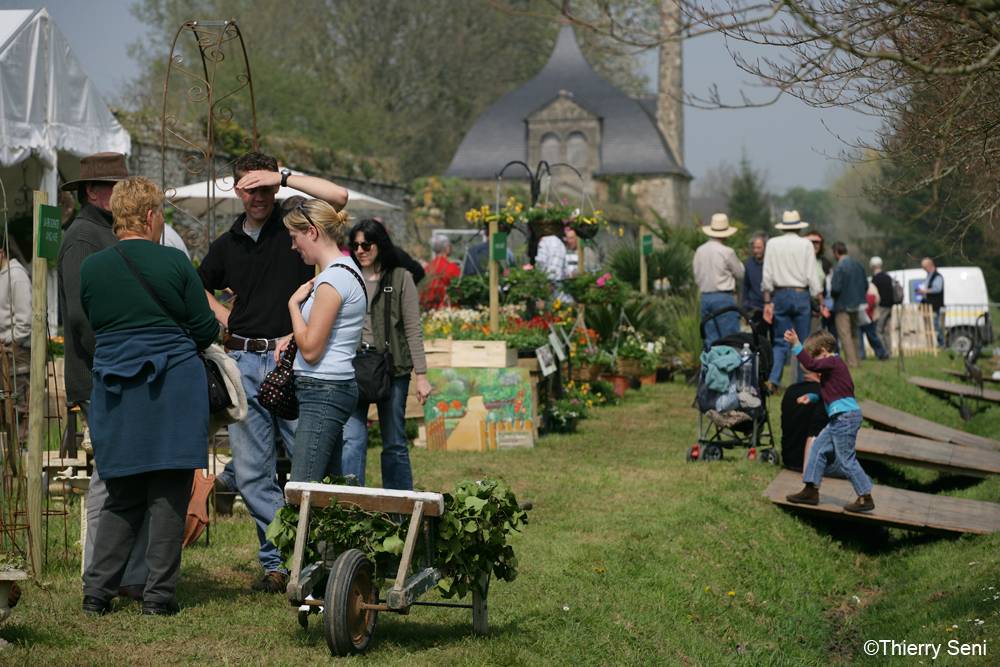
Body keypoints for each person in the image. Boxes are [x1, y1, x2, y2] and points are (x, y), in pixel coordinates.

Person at [198, 151, 348, 593]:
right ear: (236, 189)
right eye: (250, 187)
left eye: (265, 187)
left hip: (295, 360)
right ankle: (278, 559)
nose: (258, 196)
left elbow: (339, 197)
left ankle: (315, 555)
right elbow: (198, 285)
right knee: (249, 475)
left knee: (307, 469)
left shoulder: (295, 227)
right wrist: (228, 321)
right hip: (244, 361)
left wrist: (284, 176)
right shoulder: (228, 243)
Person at [80, 177, 219, 616]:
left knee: (121, 493)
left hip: (117, 388)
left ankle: (96, 594)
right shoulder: (174, 264)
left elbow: (94, 320)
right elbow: (205, 328)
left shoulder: (92, 267)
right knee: (168, 495)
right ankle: (158, 599)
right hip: (172, 387)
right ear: (151, 216)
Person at [57, 152, 148, 600]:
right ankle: (99, 575)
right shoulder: (82, 238)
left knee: (128, 475)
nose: (124, 195)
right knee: (110, 476)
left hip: (117, 370)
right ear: (94, 192)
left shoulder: (105, 234)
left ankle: (127, 576)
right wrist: (117, 360)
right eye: (116, 187)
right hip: (101, 374)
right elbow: (81, 316)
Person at [279, 200, 367, 482]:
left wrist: (293, 306)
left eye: (295, 238)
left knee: (302, 488)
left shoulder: (332, 281)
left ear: (313, 232)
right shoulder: (347, 271)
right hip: (329, 387)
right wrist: (295, 333)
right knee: (327, 490)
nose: (293, 247)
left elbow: (312, 349)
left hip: (323, 389)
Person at [342, 219, 433, 490]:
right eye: (355, 245)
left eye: (366, 244)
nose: (360, 250)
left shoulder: (401, 277)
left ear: (379, 244)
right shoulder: (348, 276)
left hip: (392, 368)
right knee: (352, 439)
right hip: (354, 365)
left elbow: (413, 328)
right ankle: (348, 505)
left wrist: (422, 376)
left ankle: (399, 506)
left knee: (393, 441)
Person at [783, 329, 875, 513]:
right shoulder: (832, 369)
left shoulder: (833, 362)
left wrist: (796, 345)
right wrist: (812, 397)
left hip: (845, 418)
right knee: (818, 449)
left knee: (845, 460)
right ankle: (811, 490)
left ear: (824, 351)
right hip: (839, 418)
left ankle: (865, 496)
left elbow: (809, 364)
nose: (816, 363)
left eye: (816, 357)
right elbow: (833, 394)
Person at [761, 211, 823, 389]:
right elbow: (812, 275)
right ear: (798, 226)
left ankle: (774, 380)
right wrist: (819, 297)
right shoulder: (805, 244)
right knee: (803, 341)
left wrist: (767, 302)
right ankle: (802, 381)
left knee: (781, 341)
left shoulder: (772, 244)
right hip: (801, 294)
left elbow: (767, 275)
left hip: (780, 294)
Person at [693, 213, 744, 347]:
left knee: (710, 340)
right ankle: (730, 367)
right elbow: (740, 273)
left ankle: (712, 367)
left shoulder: (700, 251)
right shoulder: (727, 251)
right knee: (730, 339)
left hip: (705, 296)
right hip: (723, 297)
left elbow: (696, 275)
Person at [0, 239, 32, 439]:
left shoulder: (16, 276)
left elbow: (24, 321)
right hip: (4, 350)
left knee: (18, 407)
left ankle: (23, 457)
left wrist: (6, 339)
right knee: (5, 407)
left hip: (16, 352)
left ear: (1, 252)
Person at [780, 366, 828, 472]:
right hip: (816, 464)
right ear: (819, 372)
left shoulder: (790, 391)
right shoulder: (825, 393)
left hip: (789, 460)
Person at [829, 242, 867, 368]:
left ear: (836, 252)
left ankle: (851, 363)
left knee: (845, 335)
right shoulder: (858, 265)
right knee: (855, 333)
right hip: (857, 304)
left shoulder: (839, 267)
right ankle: (858, 360)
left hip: (842, 305)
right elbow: (866, 285)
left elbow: (835, 288)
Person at [420, 234, 460, 310]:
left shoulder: (428, 267)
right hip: (446, 310)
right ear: (447, 248)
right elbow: (459, 289)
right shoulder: (452, 267)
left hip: (429, 309)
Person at [804, 230, 832, 334]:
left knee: (815, 337)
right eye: (811, 241)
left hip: (819, 305)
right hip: (802, 302)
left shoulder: (825, 263)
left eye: (817, 242)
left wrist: (823, 305)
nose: (814, 245)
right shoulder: (799, 260)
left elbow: (828, 286)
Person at [869, 257, 895, 355]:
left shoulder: (875, 279)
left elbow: (873, 295)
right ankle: (889, 351)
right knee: (886, 330)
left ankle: (883, 352)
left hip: (881, 307)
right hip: (890, 307)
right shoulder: (888, 277)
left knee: (878, 330)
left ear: (872, 266)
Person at [917, 257, 945, 347]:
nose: (924, 270)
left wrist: (924, 291)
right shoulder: (929, 276)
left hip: (935, 306)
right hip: (929, 305)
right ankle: (933, 344)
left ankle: (942, 344)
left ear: (929, 265)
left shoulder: (937, 276)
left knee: (936, 326)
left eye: (924, 267)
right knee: (931, 326)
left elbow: (937, 289)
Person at [741, 232, 767, 317]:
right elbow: (745, 286)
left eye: (759, 248)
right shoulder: (749, 264)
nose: (756, 251)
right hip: (755, 308)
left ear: (765, 248)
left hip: (771, 306)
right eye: (754, 248)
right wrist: (745, 305)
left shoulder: (771, 263)